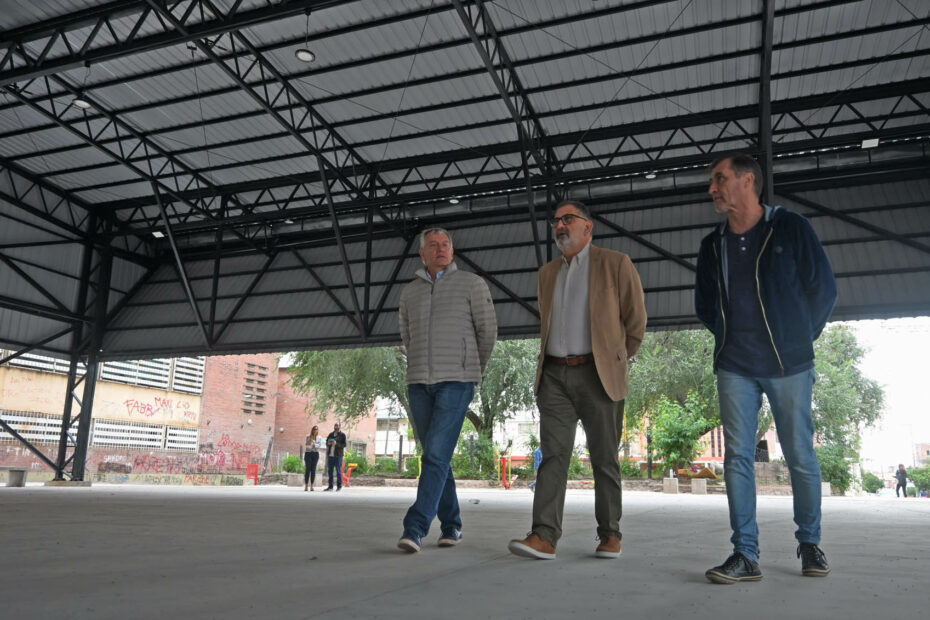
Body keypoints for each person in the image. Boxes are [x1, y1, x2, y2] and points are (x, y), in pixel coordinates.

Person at [695, 152, 837, 584]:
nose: (712, 188)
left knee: (799, 454)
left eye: (720, 179)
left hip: (789, 364)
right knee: (737, 456)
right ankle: (745, 553)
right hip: (735, 365)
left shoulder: (790, 227)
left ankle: (810, 543)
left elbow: (823, 289)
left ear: (747, 181)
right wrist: (728, 338)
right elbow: (705, 305)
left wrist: (798, 340)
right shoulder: (712, 244)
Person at [508, 199, 647, 560]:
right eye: (555, 221)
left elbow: (636, 322)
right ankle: (544, 535)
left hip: (599, 375)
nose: (560, 225)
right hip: (554, 375)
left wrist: (614, 359)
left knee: (604, 458)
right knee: (553, 456)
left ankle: (610, 534)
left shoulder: (616, 263)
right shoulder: (547, 273)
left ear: (588, 226)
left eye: (568, 219)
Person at [396, 227, 497, 553]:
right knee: (435, 456)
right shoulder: (410, 292)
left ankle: (415, 527)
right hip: (418, 382)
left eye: (445, 245)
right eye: (433, 245)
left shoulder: (472, 284)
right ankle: (452, 525)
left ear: (452, 252)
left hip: (457, 380)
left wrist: (472, 369)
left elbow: (487, 331)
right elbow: (406, 335)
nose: (440, 249)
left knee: (436, 455)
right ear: (422, 254)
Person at [324, 422, 347, 491]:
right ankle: (330, 487)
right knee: (330, 471)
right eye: (335, 425)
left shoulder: (342, 435)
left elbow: (344, 445)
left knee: (338, 471)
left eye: (337, 425)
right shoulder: (331, 434)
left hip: (338, 456)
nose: (336, 427)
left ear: (340, 426)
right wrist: (328, 443)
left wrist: (336, 444)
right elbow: (326, 442)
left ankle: (339, 486)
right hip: (330, 455)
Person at [303, 425, 324, 491]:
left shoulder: (319, 437)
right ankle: (306, 485)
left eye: (317, 429)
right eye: (314, 429)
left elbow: (319, 445)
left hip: (315, 454)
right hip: (308, 453)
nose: (315, 430)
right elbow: (306, 445)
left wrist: (314, 445)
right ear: (312, 430)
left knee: (313, 470)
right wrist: (310, 443)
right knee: (308, 469)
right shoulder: (308, 436)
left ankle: (312, 486)